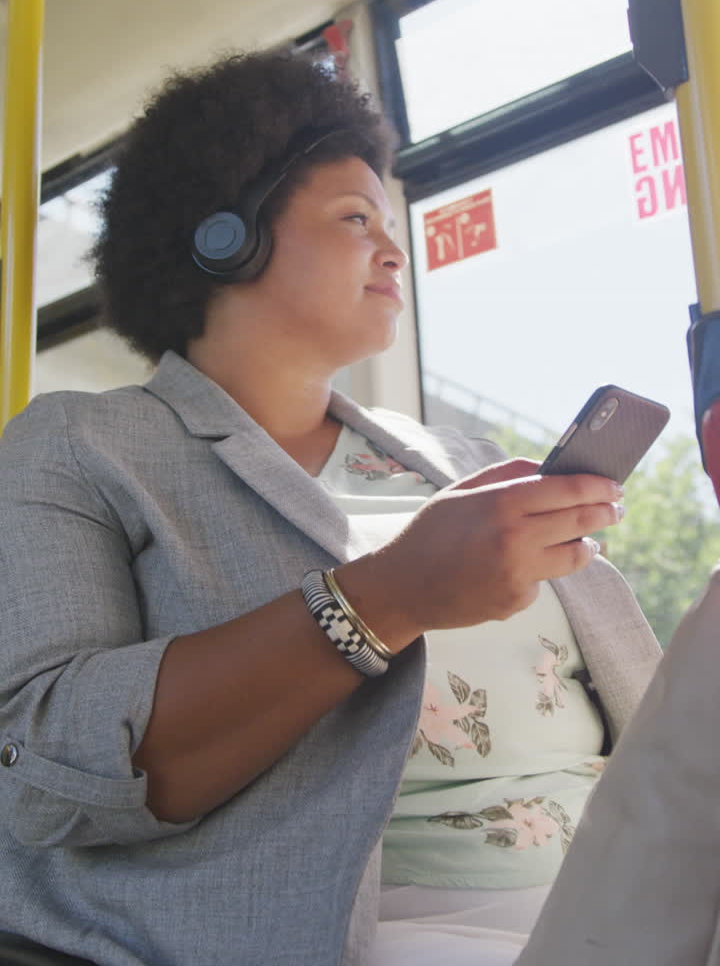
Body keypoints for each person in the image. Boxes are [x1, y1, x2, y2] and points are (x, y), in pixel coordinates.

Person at [0, 52, 658, 966]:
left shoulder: (451, 462)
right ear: (223, 240)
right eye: (356, 220)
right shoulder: (78, 447)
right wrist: (388, 598)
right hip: (381, 930)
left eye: (392, 224)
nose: (394, 250)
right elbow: (39, 774)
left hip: (631, 888)